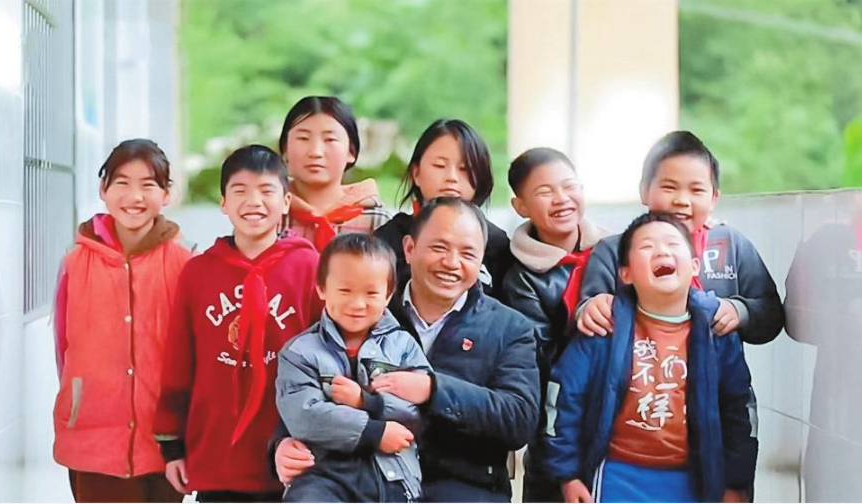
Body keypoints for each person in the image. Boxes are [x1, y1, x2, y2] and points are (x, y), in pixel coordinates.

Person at [276, 198, 539, 502]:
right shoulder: (367, 304)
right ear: (410, 248)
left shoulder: (509, 328)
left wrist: (433, 390)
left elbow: (519, 419)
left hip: (465, 486)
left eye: (468, 253)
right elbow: (308, 381)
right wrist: (281, 445)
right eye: (439, 247)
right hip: (362, 477)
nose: (452, 262)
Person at [545, 212, 757, 502]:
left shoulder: (716, 331)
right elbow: (563, 400)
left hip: (696, 479)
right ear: (626, 274)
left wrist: (736, 483)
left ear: (695, 266)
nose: (661, 251)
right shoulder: (603, 327)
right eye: (647, 247)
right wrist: (567, 475)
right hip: (617, 477)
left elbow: (739, 412)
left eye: (672, 244)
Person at [153, 145, 323, 502]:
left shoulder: (309, 268)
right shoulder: (199, 272)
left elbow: (328, 354)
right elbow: (179, 360)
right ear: (223, 203)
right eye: (240, 191)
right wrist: (172, 445)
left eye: (266, 191)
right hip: (217, 452)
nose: (253, 202)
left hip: (290, 453)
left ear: (286, 202)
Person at [53, 139, 191, 502]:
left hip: (164, 441)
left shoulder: (185, 262)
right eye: (122, 182)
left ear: (167, 193)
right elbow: (63, 350)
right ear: (103, 189)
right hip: (93, 439)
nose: (135, 196)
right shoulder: (74, 261)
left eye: (148, 184)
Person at [578, 130, 784, 345]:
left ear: (714, 198)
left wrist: (740, 311)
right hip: (635, 366)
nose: (682, 200)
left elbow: (772, 314)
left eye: (696, 190)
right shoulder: (612, 250)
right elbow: (584, 313)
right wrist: (591, 309)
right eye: (669, 187)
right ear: (644, 191)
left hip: (718, 367)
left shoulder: (731, 244)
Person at [276, 233, 432, 502]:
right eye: (345, 291)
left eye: (371, 293)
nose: (358, 304)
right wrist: (375, 432)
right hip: (322, 474)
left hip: (393, 473)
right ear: (321, 288)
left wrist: (367, 402)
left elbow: (421, 412)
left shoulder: (403, 346)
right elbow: (304, 415)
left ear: (388, 294)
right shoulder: (300, 352)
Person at [501, 147, 607, 502]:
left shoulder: (616, 250)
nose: (562, 199)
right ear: (520, 206)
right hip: (558, 420)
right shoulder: (520, 278)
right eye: (545, 192)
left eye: (569, 186)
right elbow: (540, 361)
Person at [374, 119, 513, 300]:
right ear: (416, 173)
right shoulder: (387, 240)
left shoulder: (497, 245)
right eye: (439, 165)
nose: (452, 177)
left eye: (465, 168)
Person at [279, 96, 389, 251]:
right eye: (303, 138)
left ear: (351, 151)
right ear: (285, 149)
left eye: (330, 139)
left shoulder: (378, 222)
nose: (316, 152)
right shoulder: (268, 214)